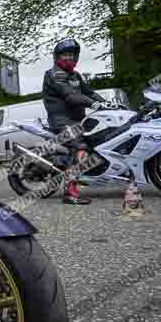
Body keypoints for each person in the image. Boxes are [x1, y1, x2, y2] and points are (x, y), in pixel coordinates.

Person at [42, 38, 113, 205]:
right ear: (57, 57)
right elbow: (70, 95)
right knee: (79, 147)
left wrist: (107, 103)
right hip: (61, 120)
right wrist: (93, 104)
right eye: (65, 55)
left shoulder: (75, 76)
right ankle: (70, 193)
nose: (69, 59)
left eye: (72, 55)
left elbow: (89, 92)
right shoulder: (54, 74)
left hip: (78, 119)